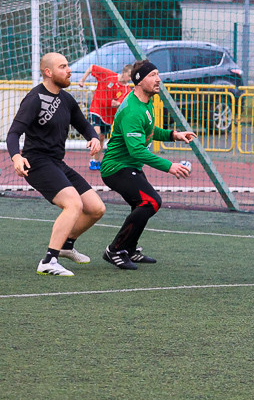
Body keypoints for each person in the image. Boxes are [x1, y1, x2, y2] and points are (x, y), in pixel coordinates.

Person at [6, 52, 106, 276]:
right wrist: (16, 157)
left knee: (96, 208)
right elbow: (13, 134)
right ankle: (49, 261)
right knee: (73, 204)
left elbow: (85, 125)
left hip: (57, 163)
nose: (69, 70)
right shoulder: (34, 99)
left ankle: (66, 246)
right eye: (63, 66)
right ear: (48, 72)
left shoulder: (66, 99)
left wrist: (92, 137)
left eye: (68, 65)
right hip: (37, 163)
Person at [100, 59, 196, 270]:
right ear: (139, 81)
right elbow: (136, 150)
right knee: (151, 202)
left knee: (142, 204)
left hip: (130, 166)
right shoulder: (132, 110)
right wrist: (169, 166)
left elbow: (150, 131)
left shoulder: (145, 103)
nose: (158, 79)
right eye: (152, 75)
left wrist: (174, 135)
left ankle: (130, 249)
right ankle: (115, 250)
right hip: (116, 167)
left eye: (157, 74)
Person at [79, 63, 133, 170]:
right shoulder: (108, 75)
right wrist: (82, 80)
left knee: (102, 138)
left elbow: (124, 104)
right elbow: (92, 68)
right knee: (97, 133)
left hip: (108, 116)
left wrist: (117, 104)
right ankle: (91, 151)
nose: (130, 79)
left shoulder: (127, 90)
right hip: (97, 108)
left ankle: (95, 161)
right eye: (130, 75)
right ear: (124, 72)